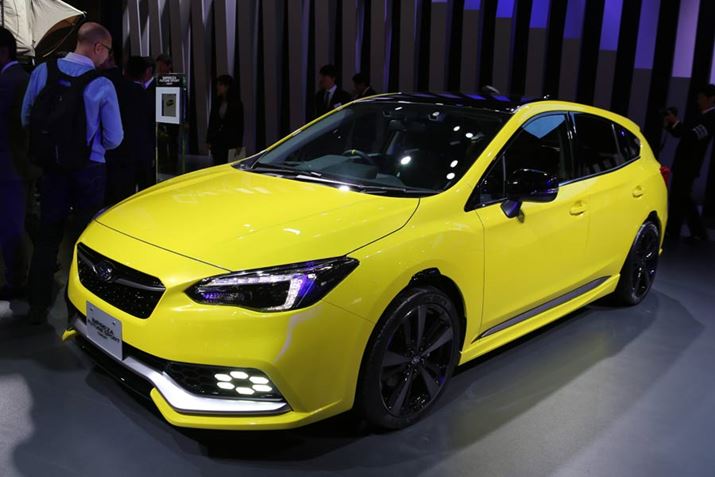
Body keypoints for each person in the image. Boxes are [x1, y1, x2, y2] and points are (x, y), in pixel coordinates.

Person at [21, 22, 123, 324]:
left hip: (52, 168)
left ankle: (37, 304)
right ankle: (77, 310)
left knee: (47, 235)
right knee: (84, 239)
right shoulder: (102, 84)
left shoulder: (43, 71)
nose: (107, 57)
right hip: (89, 170)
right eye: (108, 51)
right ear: (98, 47)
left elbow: (26, 117)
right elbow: (115, 138)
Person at [0, 27, 31, 300]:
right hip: (16, 164)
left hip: (11, 166)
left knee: (11, 226)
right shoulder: (18, 78)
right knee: (21, 221)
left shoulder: (11, 81)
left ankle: (16, 282)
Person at [663, 84, 715, 241]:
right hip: (684, 164)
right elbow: (682, 133)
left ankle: (693, 232)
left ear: (711, 99)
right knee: (680, 197)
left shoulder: (711, 118)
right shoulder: (701, 116)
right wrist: (671, 124)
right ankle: (686, 231)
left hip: (689, 165)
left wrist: (676, 122)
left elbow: (692, 136)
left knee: (682, 197)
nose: (698, 101)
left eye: (701, 98)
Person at [102, 55, 156, 205]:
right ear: (146, 73)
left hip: (115, 153)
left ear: (125, 71)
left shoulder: (114, 91)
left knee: (117, 196)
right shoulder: (146, 96)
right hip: (140, 154)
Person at [206, 74, 244, 164]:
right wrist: (209, 139)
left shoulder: (236, 103)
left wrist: (239, 144)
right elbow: (212, 121)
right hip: (217, 140)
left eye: (220, 85)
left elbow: (239, 124)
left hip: (230, 141)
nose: (218, 87)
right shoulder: (217, 101)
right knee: (217, 163)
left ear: (227, 87)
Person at [154, 53, 179, 174]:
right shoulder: (156, 81)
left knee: (173, 142)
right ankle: (162, 166)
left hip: (173, 117)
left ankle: (172, 167)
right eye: (158, 65)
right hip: (159, 117)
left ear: (169, 66)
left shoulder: (177, 80)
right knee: (160, 143)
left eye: (161, 65)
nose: (159, 68)